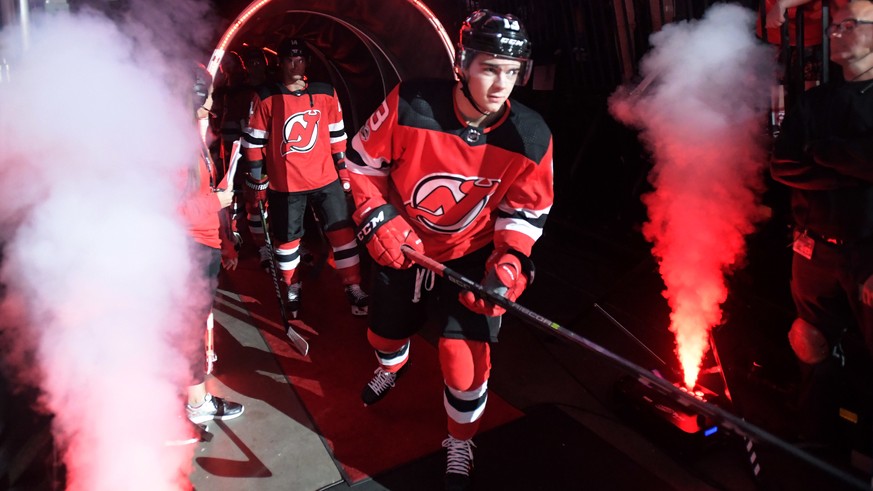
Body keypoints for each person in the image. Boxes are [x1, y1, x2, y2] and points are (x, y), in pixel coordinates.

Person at [344, 10, 553, 490]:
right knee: (382, 336)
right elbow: (360, 164)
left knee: (465, 363)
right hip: (407, 246)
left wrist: (510, 263)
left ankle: (460, 439)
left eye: (511, 70)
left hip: (471, 254)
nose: (502, 84)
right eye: (490, 68)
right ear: (463, 64)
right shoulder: (411, 103)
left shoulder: (532, 134)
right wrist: (377, 216)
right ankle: (391, 365)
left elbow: (525, 211)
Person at [770, 0, 873, 446]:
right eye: (837, 25)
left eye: (850, 24)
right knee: (807, 338)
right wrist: (850, 164)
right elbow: (783, 164)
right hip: (814, 247)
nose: (836, 31)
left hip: (868, 249)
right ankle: (814, 438)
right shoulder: (814, 101)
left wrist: (823, 152)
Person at [242, 38, 368, 318]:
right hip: (286, 185)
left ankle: (353, 285)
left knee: (342, 233)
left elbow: (337, 135)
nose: (295, 65)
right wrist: (256, 178)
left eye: (300, 60)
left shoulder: (325, 92)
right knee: (288, 241)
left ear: (307, 63)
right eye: (289, 60)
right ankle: (292, 286)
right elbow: (253, 142)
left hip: (325, 179)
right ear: (280, 62)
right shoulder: (266, 96)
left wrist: (343, 171)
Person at [179, 65, 244, 428]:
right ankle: (197, 403)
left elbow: (199, 194)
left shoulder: (192, 137)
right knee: (188, 329)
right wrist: (217, 203)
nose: (214, 103)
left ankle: (195, 395)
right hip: (187, 249)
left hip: (204, 245)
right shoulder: (175, 146)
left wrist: (225, 241)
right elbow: (168, 212)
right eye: (209, 95)